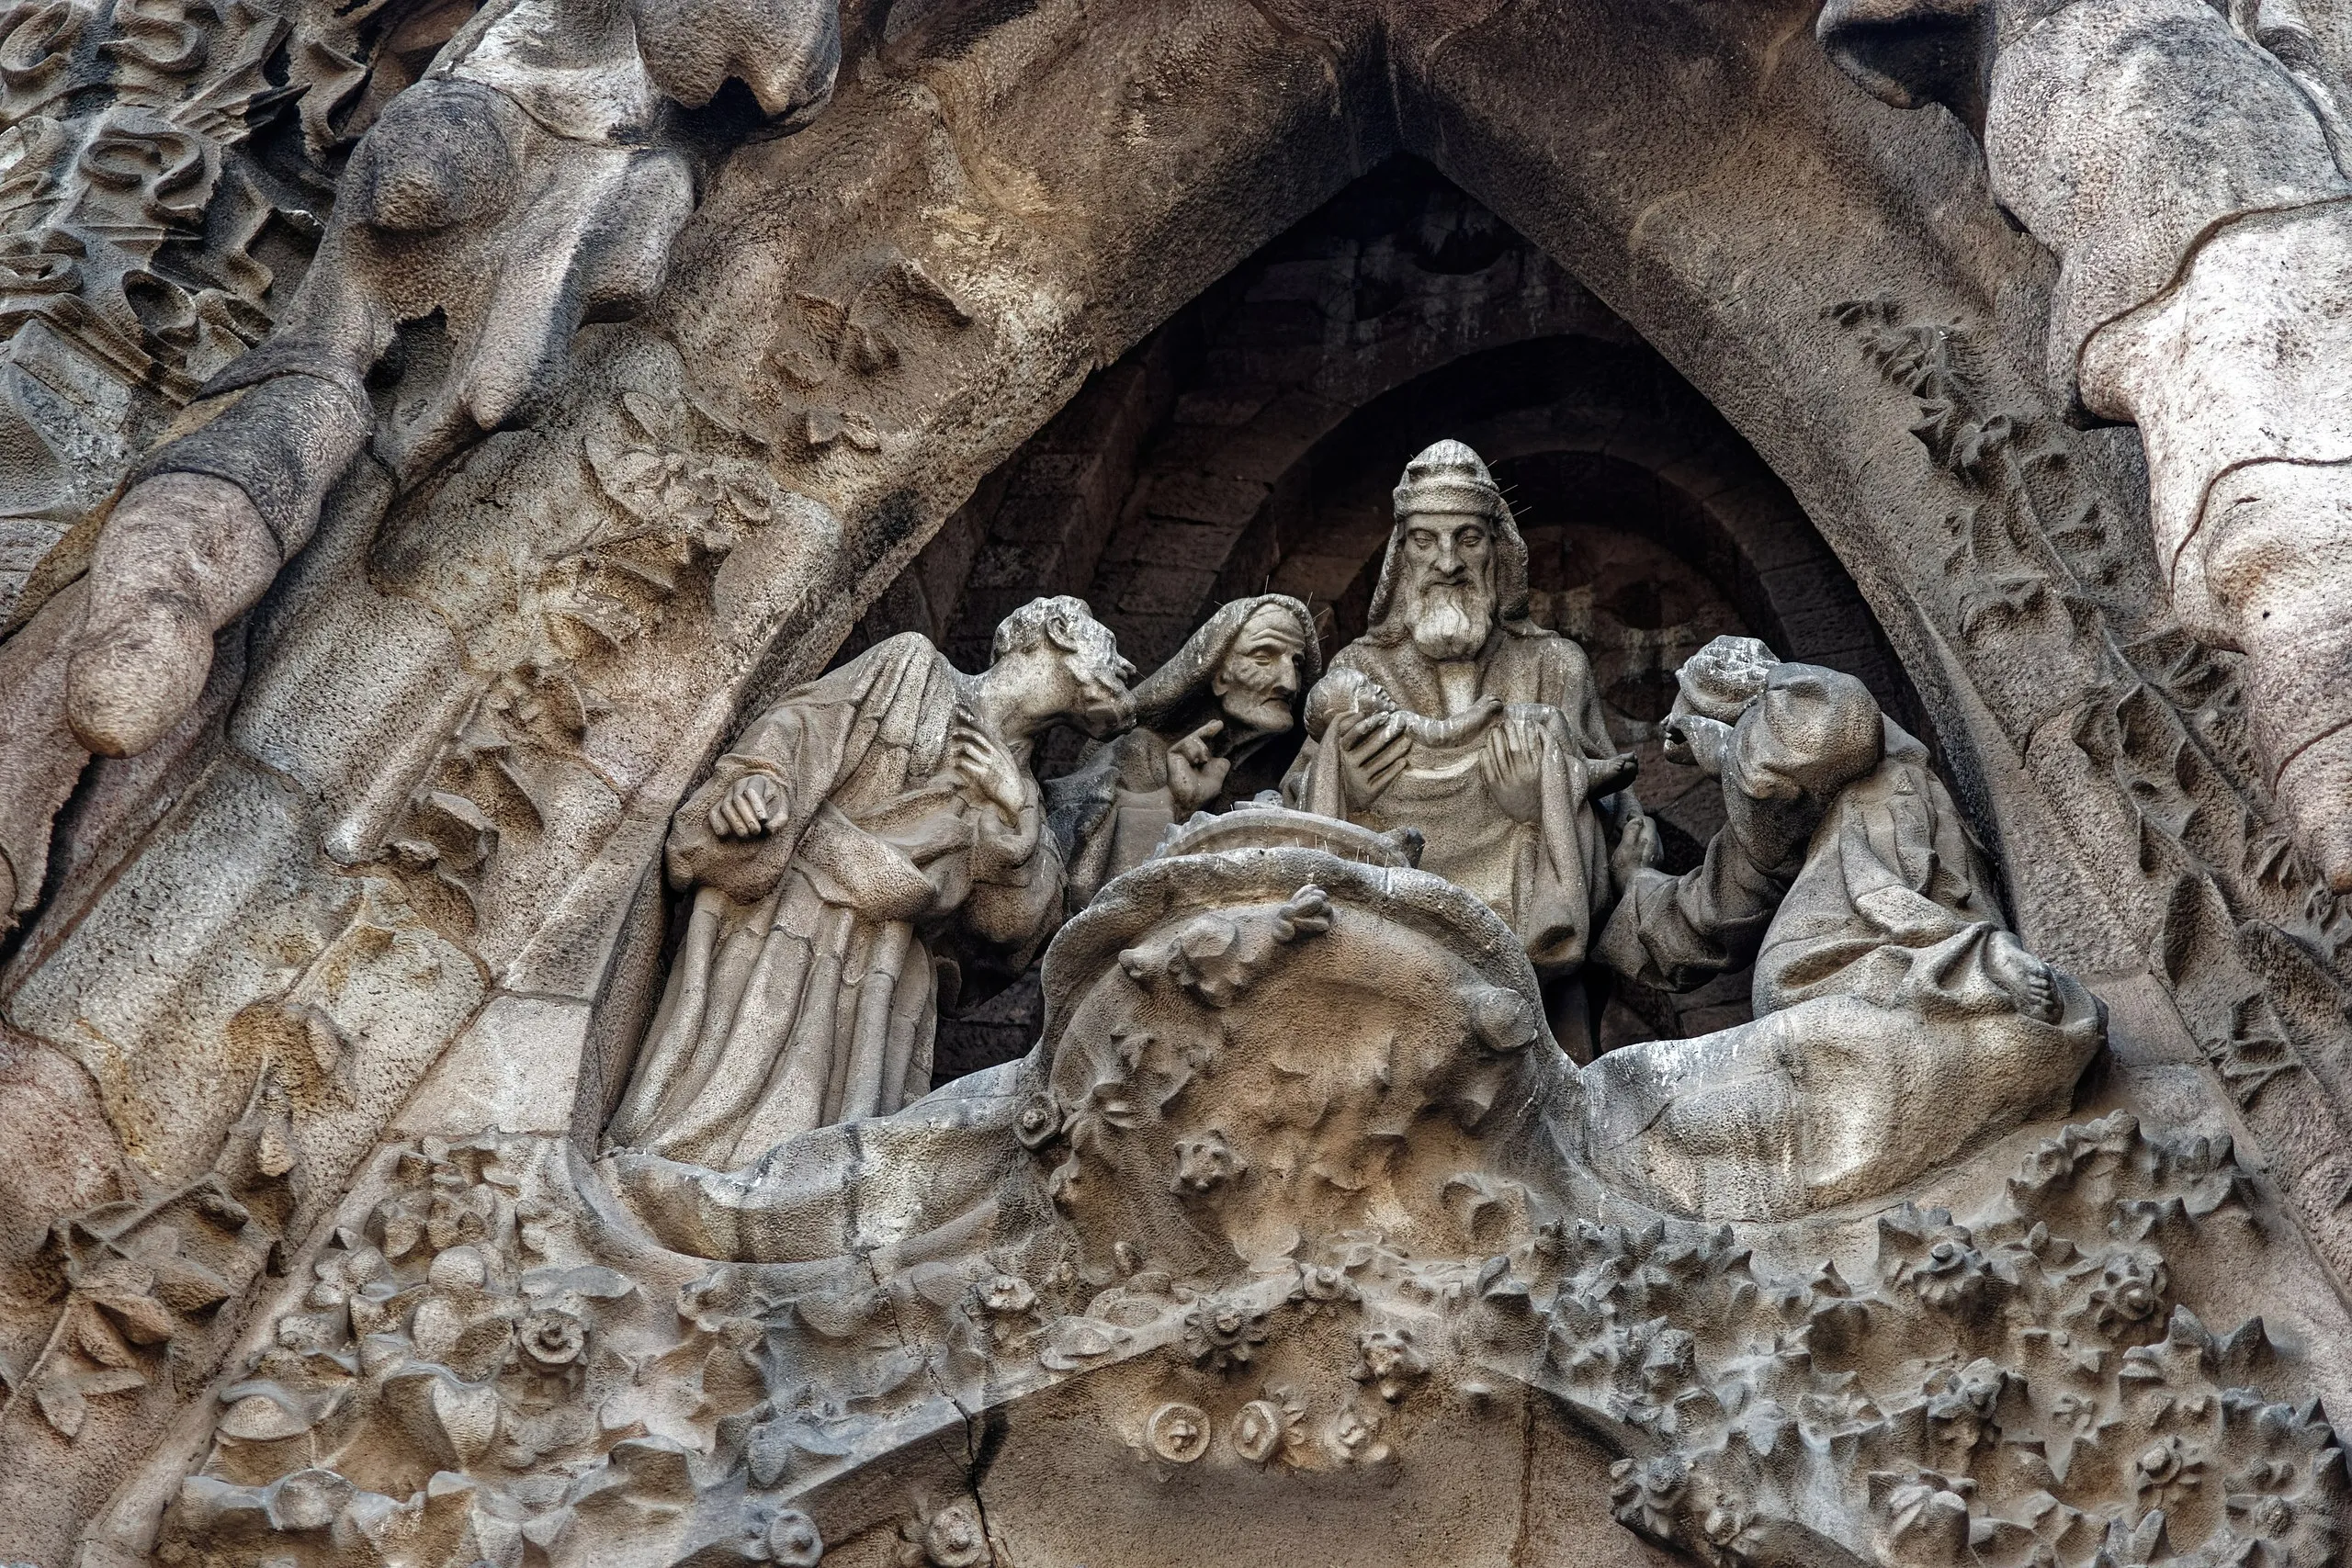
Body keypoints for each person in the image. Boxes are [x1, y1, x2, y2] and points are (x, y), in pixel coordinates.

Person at [606, 595, 1134, 1168]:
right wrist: (760, 783)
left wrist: (1014, 813)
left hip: (888, 974)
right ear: (1057, 630)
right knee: (717, 1109)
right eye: (1112, 649)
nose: (1126, 669)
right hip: (793, 916)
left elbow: (1010, 934)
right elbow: (802, 727)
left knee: (823, 1165)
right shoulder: (911, 671)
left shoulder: (1022, 793)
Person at [1585, 637, 2103, 1219]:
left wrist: (1728, 749)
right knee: (1787, 981)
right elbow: (1718, 907)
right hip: (1855, 876)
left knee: (1795, 973)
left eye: (1687, 715)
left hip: (1889, 850)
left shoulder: (1812, 701)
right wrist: (1632, 882)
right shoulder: (1771, 814)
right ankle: (1973, 972)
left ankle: (1978, 961)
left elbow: (1837, 734)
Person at [1283, 439, 1644, 1042]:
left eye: (1468, 538)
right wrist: (1340, 786)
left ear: (1498, 552)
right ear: (1403, 557)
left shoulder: (1555, 665)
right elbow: (1299, 818)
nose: (1447, 560)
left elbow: (1617, 825)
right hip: (1387, 964)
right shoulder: (1362, 669)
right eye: (1426, 540)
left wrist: (1546, 799)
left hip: (1532, 968)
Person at [1047, 593, 1319, 910]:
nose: (1288, 683)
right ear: (1217, 676)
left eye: (1297, 663)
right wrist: (1173, 802)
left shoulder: (1289, 775)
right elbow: (1073, 867)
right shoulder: (1141, 752)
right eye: (1263, 657)